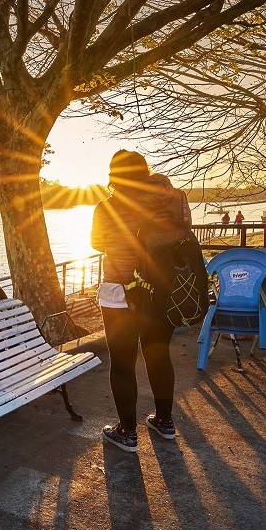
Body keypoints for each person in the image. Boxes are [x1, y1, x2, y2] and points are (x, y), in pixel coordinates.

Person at [90, 150, 188, 453]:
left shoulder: (106, 208)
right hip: (161, 291)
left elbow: (96, 243)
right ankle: (165, 421)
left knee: (122, 364)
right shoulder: (173, 200)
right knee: (159, 356)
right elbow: (184, 238)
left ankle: (127, 433)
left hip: (120, 292)